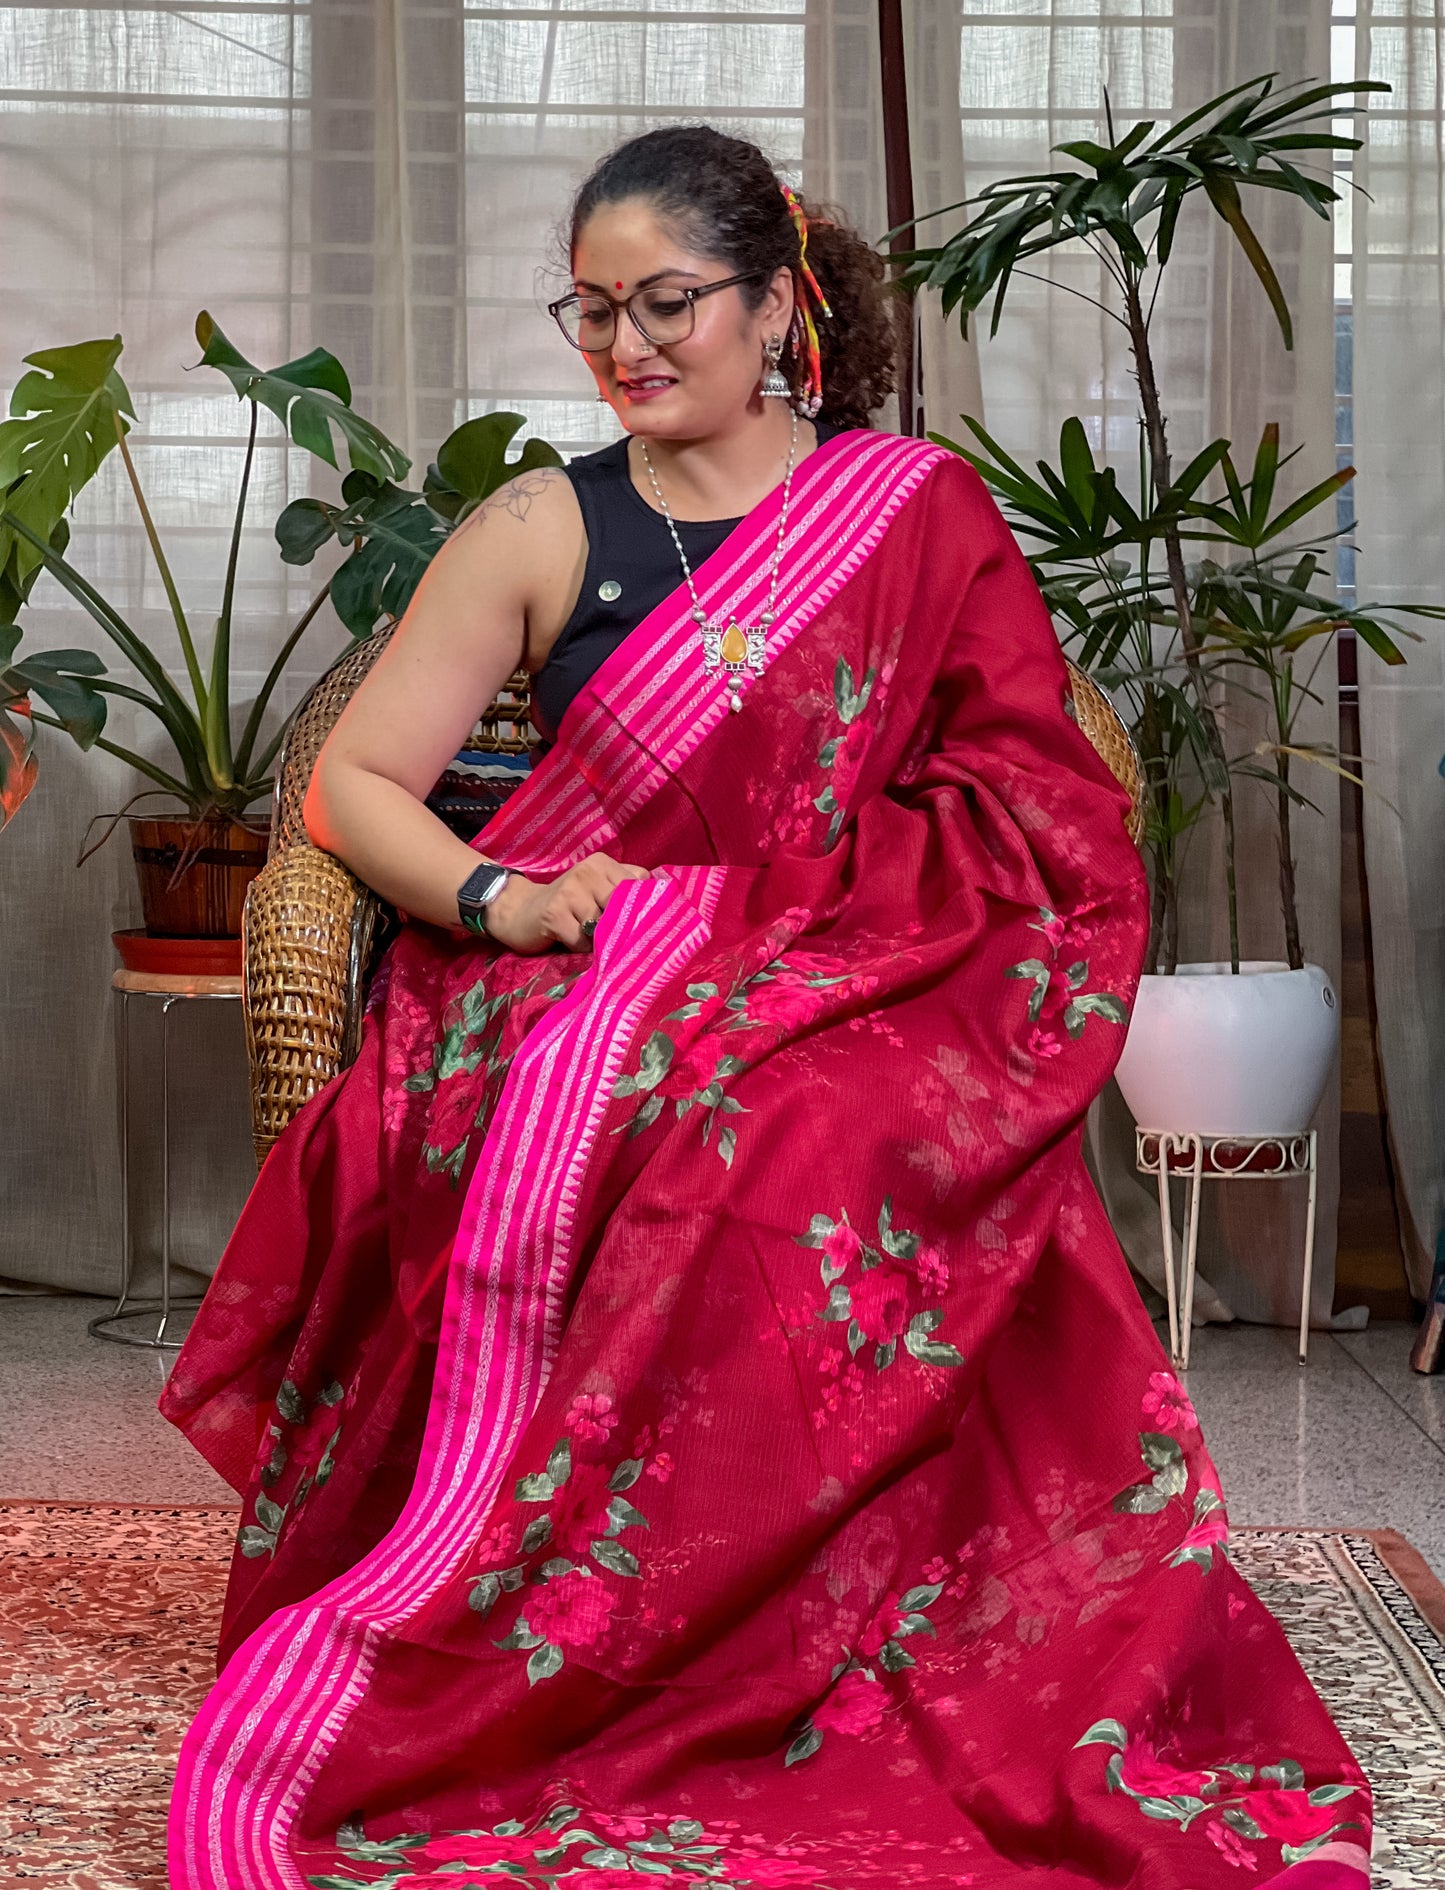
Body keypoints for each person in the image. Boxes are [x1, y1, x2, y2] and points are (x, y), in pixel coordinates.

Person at [160, 125, 1369, 1890]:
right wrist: (509, 893)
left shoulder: (910, 514)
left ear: (778, 299)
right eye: (591, 315)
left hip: (859, 975)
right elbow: (354, 792)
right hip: (567, 982)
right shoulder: (538, 523)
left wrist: (793, 920)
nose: (627, 349)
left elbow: (1041, 810)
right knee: (718, 1133)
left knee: (819, 1133)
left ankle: (814, 1623)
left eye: (665, 304)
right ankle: (567, 1644)